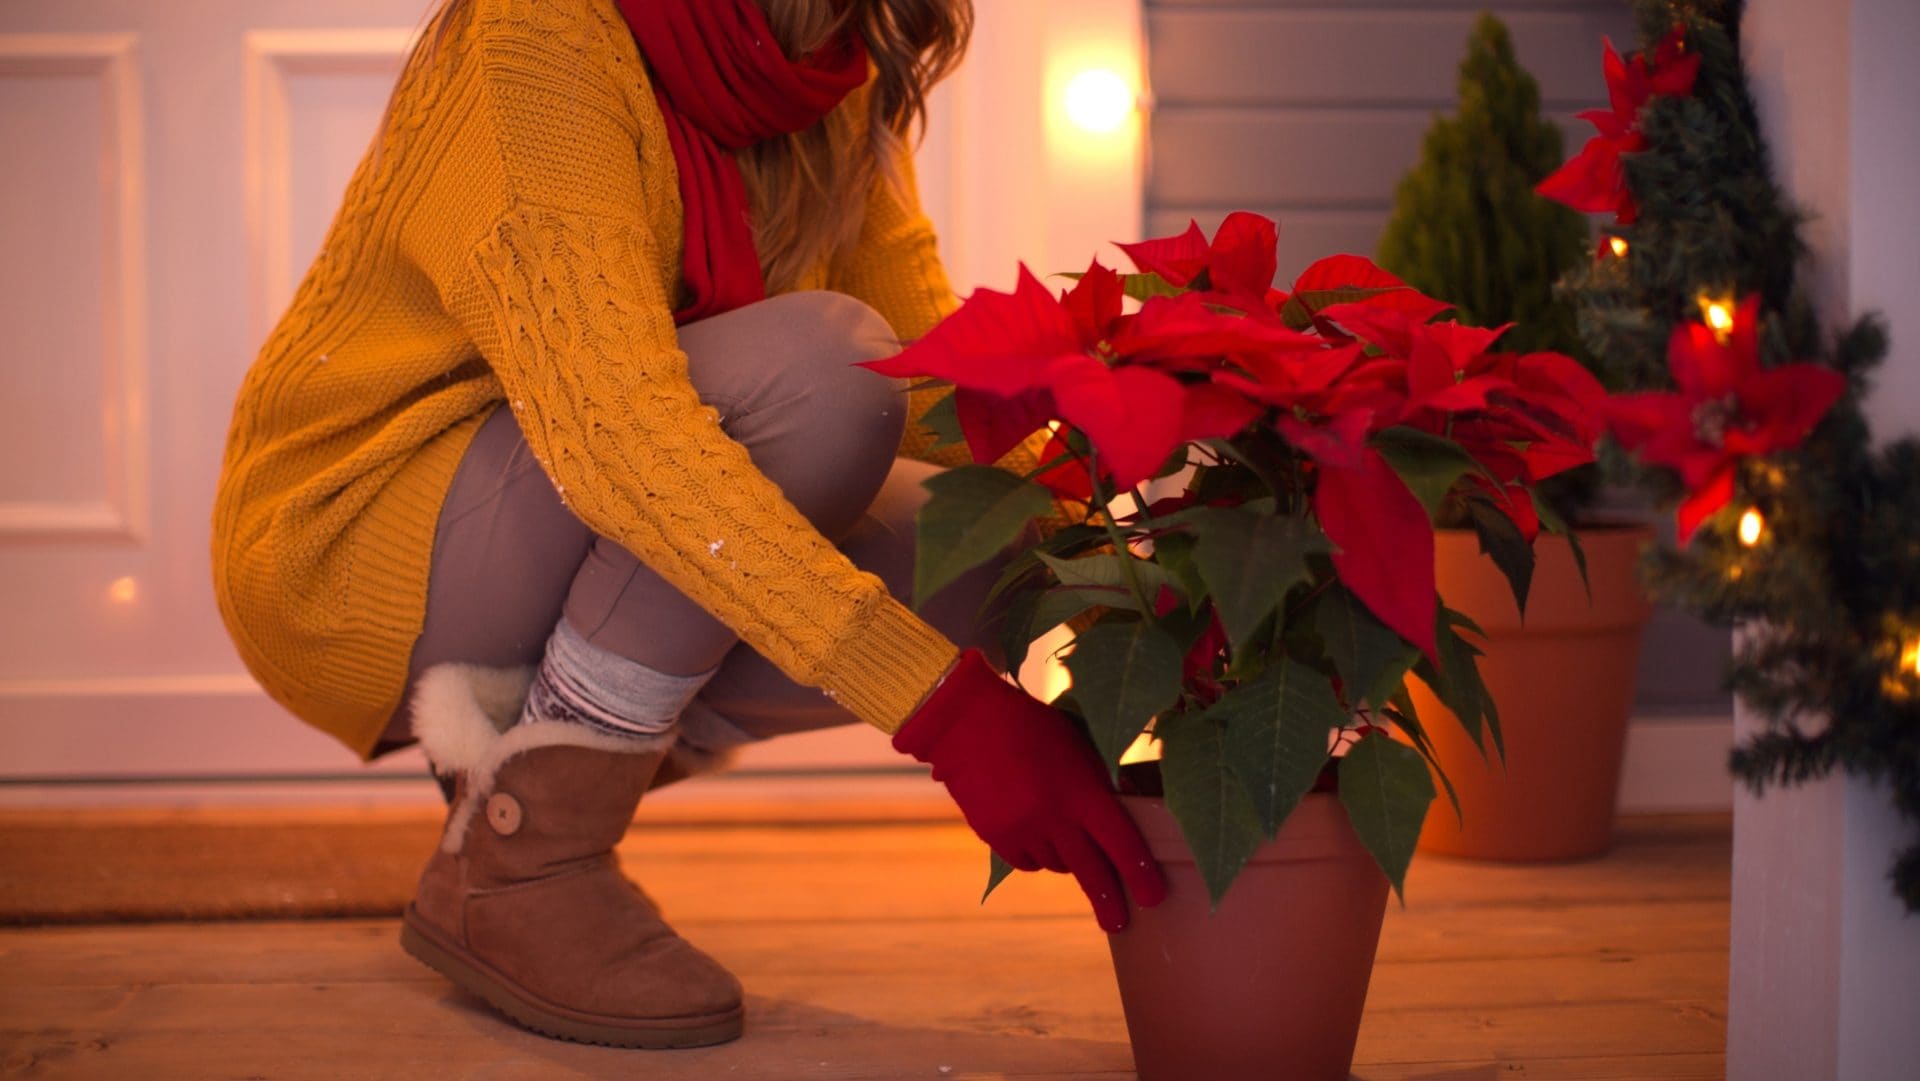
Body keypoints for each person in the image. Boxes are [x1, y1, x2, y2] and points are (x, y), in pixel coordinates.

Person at [211, 0, 1165, 1050]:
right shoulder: (539, 34)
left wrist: (1126, 531)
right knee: (822, 377)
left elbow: (938, 383)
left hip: (577, 511)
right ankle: (528, 856)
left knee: (1002, 546)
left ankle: (523, 774)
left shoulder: (830, 69)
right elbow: (622, 440)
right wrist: (941, 708)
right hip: (359, 541)